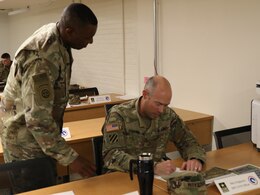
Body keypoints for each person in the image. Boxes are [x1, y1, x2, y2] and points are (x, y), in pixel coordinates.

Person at [0, 3, 98, 179]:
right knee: (35, 188)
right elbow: (37, 119)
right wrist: (71, 158)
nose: (90, 42)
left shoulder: (59, 36)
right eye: (87, 37)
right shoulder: (41, 58)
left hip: (41, 140)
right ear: (69, 31)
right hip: (25, 145)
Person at [102, 75, 206, 176]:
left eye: (166, 105)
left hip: (157, 177)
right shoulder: (119, 115)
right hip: (125, 176)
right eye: (158, 104)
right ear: (145, 95)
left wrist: (195, 158)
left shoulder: (168, 115)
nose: (162, 110)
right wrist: (152, 167)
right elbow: (111, 155)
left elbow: (188, 141)